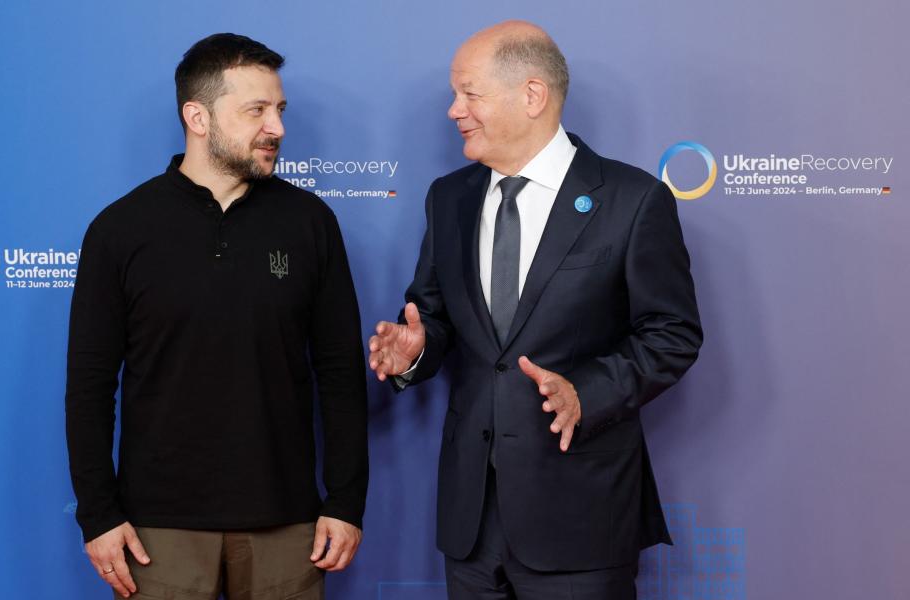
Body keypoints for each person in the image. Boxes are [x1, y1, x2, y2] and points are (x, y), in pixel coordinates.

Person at [368, 21, 702, 600]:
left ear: (532, 95)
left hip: (581, 516)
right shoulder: (449, 197)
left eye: (469, 94)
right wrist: (415, 351)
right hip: (470, 522)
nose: (454, 111)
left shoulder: (632, 200)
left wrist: (587, 391)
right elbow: (434, 314)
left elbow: (672, 334)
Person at [66, 33, 368, 599]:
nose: (276, 127)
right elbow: (89, 386)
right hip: (157, 531)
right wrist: (98, 515)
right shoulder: (120, 230)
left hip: (289, 526)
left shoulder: (310, 223)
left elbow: (341, 375)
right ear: (197, 117)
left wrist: (347, 502)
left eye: (278, 110)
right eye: (256, 110)